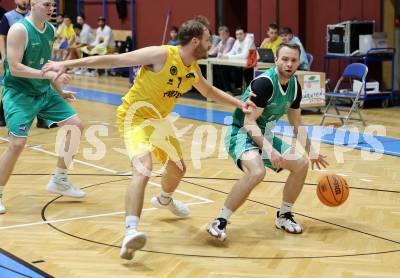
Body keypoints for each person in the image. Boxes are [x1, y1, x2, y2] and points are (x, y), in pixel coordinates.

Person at [42, 16, 256, 260]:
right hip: (134, 117)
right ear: (195, 41)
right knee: (143, 168)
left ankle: (164, 199)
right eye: (209, 40)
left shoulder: (192, 68)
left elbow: (209, 91)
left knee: (178, 168)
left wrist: (240, 104)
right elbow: (115, 59)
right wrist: (66, 65)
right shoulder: (161, 55)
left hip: (158, 121)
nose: (212, 43)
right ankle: (130, 231)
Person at [206, 43, 329, 241]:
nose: (289, 64)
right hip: (241, 132)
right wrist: (270, 150)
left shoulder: (295, 86)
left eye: (294, 60)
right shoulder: (265, 84)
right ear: (276, 60)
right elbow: (249, 122)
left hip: (266, 134)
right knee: (257, 171)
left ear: (299, 63)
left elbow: (296, 122)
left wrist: (311, 151)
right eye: (285, 59)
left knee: (301, 164)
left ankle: (284, 215)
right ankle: (220, 220)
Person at [0, 0, 87, 216]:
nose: (51, 8)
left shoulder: (50, 29)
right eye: (46, 4)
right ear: (33, 4)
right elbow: (15, 67)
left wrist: (59, 90)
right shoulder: (19, 30)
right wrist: (48, 75)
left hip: (44, 91)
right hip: (19, 94)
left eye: (53, 5)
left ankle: (60, 179)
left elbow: (46, 63)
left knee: (76, 125)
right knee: (18, 144)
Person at [0, 0, 30, 128]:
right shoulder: (8, 16)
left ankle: (42, 118)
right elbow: (1, 37)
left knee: (40, 86)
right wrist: (3, 56)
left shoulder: (33, 15)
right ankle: (2, 116)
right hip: (13, 58)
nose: (24, 0)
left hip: (31, 58)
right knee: (10, 86)